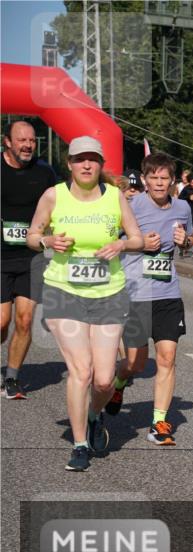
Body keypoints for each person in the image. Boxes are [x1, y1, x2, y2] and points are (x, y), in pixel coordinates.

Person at [25, 136, 144, 472]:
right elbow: (33, 235)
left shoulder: (115, 197)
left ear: (101, 164)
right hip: (64, 292)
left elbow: (136, 237)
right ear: (70, 164)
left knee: (104, 379)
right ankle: (79, 444)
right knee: (81, 370)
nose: (87, 165)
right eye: (80, 160)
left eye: (93, 159)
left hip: (109, 293)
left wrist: (121, 246)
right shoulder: (54, 196)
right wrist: (47, 240)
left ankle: (94, 415)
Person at [105, 153, 190, 446]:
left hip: (168, 293)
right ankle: (118, 384)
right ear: (144, 180)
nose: (159, 183)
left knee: (167, 357)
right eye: (153, 178)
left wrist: (186, 242)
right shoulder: (131, 206)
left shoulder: (182, 207)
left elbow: (190, 248)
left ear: (172, 180)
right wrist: (140, 243)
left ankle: (159, 423)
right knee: (135, 363)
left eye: (164, 178)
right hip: (136, 294)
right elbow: (113, 245)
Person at [1, 120, 57, 400]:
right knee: (1, 322)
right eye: (22, 140)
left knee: (24, 320)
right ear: (7, 142)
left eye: (32, 141)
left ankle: (12, 377)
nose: (28, 145)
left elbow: (61, 207)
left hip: (31, 259)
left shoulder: (45, 172)